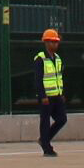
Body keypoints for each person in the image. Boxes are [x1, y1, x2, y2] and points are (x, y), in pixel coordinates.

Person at [35, 24, 69, 155]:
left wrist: (62, 93)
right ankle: (47, 148)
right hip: (46, 97)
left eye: (56, 42)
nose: (55, 44)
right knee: (45, 122)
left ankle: (44, 139)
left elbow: (59, 77)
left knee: (62, 119)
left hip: (57, 95)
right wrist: (42, 96)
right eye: (52, 42)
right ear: (46, 43)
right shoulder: (40, 59)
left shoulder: (58, 59)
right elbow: (38, 79)